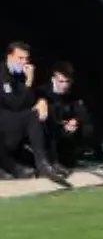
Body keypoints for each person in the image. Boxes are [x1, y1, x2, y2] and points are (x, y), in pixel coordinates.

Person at [0, 42, 68, 185]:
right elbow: (15, 104)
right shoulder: (3, 74)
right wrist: (29, 81)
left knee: (41, 113)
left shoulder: (21, 75)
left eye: (26, 59)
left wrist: (41, 101)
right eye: (20, 58)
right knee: (31, 115)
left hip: (15, 123)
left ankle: (47, 162)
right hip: (4, 124)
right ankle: (38, 164)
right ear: (9, 56)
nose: (24, 62)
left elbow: (30, 98)